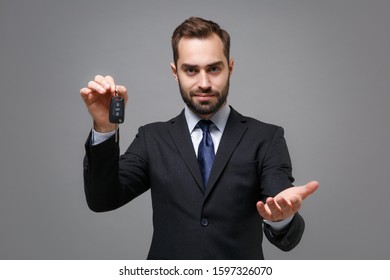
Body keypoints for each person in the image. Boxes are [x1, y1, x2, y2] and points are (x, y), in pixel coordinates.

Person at [80, 17, 319, 260]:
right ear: (175, 72)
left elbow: (281, 210)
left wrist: (282, 218)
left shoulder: (266, 138)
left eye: (214, 68)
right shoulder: (152, 138)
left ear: (230, 67)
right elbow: (102, 200)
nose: (204, 83)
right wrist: (104, 127)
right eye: (191, 70)